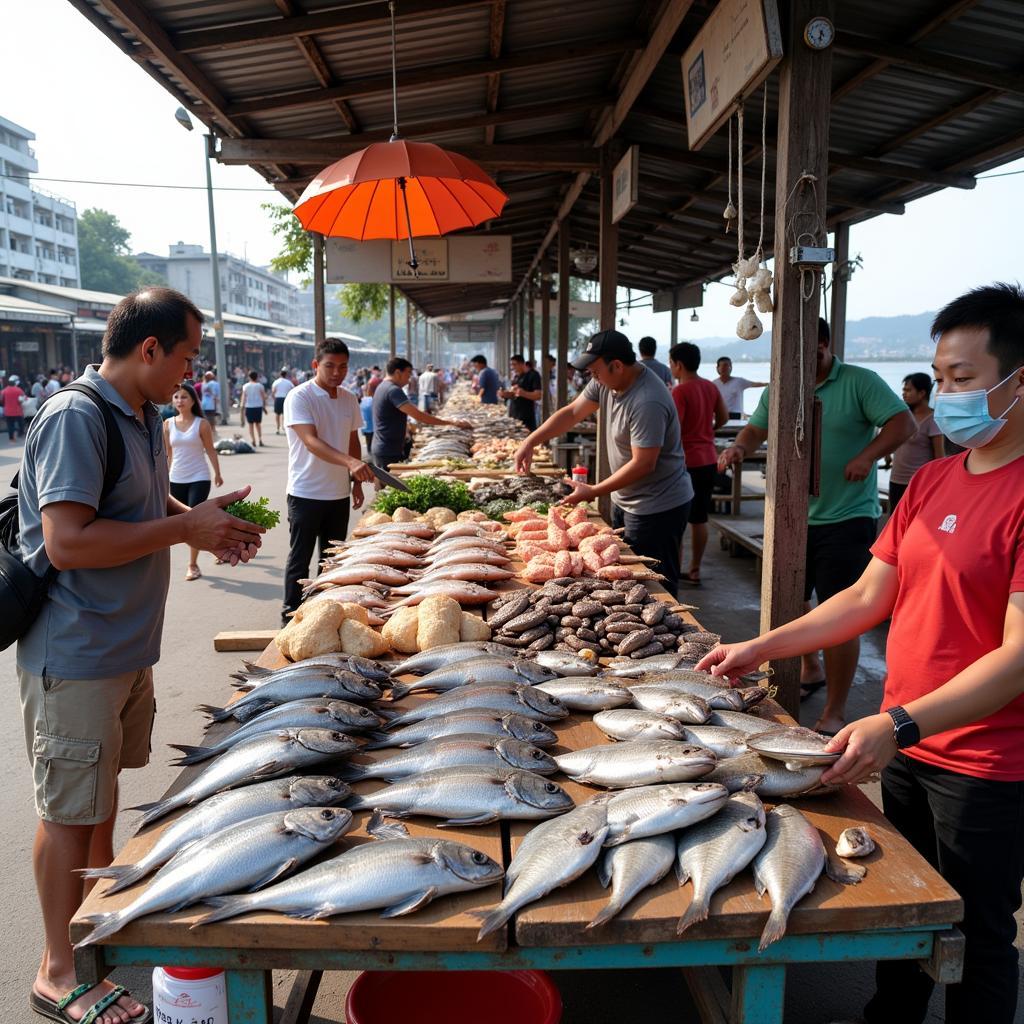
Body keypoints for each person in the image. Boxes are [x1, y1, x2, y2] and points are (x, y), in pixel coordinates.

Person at [700, 283, 1024, 1024]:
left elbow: (1017, 659)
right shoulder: (934, 478)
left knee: (980, 936)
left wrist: (898, 723)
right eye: (938, 381)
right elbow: (863, 599)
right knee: (906, 913)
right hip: (907, 743)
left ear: (1019, 380)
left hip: (984, 765)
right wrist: (759, 647)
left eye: (963, 380)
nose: (942, 397)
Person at [19, 287, 263, 1024]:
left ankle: (90, 932)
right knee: (69, 812)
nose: (189, 375)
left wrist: (205, 524)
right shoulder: (76, 416)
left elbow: (146, 512)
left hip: (127, 647)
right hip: (78, 649)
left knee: (99, 802)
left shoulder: (146, 417)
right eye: (186, 357)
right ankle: (57, 972)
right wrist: (186, 534)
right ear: (148, 349)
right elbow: (68, 541)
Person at [718, 318, 914, 731]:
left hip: (846, 517)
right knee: (789, 600)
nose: (801, 365)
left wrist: (868, 457)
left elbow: (902, 424)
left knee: (843, 612)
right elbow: (756, 429)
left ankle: (835, 711)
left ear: (823, 345)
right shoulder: (780, 387)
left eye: (810, 354)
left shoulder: (861, 381)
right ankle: (810, 666)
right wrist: (739, 447)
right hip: (790, 516)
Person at [515, 330, 693, 595]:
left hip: (658, 506)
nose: (591, 376)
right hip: (628, 498)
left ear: (617, 365)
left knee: (655, 585)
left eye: (595, 370)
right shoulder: (605, 381)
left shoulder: (647, 400)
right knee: (628, 580)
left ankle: (677, 634)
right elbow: (573, 412)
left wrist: (594, 491)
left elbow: (644, 463)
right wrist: (531, 440)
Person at [281, 337, 376, 621]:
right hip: (305, 492)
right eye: (330, 366)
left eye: (343, 367)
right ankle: (290, 616)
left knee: (332, 561)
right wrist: (351, 463)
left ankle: (324, 614)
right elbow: (310, 441)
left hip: (338, 494)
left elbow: (353, 440)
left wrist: (355, 481)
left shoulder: (349, 399)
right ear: (315, 365)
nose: (337, 372)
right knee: (300, 560)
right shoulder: (299, 396)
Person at [669, 342, 728, 585]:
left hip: (686, 461)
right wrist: (707, 431)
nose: (671, 368)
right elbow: (723, 417)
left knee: (679, 518)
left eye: (671, 363)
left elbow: (676, 428)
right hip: (708, 459)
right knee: (700, 518)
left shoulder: (679, 391)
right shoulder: (710, 387)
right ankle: (695, 569)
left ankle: (676, 569)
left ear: (679, 365)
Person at [164, 381, 224, 581]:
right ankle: (215, 542)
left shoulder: (202, 424)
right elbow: (168, 454)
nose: (179, 400)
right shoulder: (168, 424)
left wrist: (217, 473)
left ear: (192, 401)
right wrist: (163, 477)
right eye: (176, 397)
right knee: (176, 521)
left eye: (184, 397)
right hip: (176, 477)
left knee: (193, 521)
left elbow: (210, 450)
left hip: (199, 477)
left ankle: (192, 565)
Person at [371, 357, 472, 469]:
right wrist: (451, 422)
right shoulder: (393, 390)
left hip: (385, 446)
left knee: (386, 483)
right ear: (397, 372)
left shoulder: (382, 387)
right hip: (388, 450)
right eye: (408, 374)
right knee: (389, 484)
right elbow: (418, 416)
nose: (409, 379)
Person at [888, 372, 944, 508]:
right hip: (896, 480)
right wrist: (886, 456)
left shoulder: (932, 420)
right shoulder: (903, 416)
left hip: (918, 483)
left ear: (922, 393)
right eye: (903, 390)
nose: (904, 394)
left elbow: (939, 458)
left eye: (908, 390)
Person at [500, 353, 543, 430]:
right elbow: (514, 394)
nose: (512, 367)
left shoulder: (533, 375)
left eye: (514, 364)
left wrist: (523, 393)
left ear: (522, 364)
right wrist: (505, 394)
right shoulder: (517, 376)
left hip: (526, 416)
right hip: (514, 414)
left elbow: (538, 396)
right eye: (511, 365)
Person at [240, 370, 267, 447]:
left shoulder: (245, 386)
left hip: (249, 407)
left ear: (249, 377)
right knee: (258, 424)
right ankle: (260, 439)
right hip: (258, 406)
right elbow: (263, 397)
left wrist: (242, 406)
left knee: (250, 425)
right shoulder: (260, 386)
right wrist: (264, 407)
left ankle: (253, 440)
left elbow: (243, 397)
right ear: (257, 377)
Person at [2, 373, 27, 441]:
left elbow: (1, 400)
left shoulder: (4, 391)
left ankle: (11, 438)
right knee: (20, 423)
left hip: (8, 412)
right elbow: (25, 398)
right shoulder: (18, 390)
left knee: (10, 425)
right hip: (17, 411)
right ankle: (21, 434)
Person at [270, 369, 294, 435]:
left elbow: (273, 391)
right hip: (285, 398)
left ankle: (277, 428)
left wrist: (274, 398)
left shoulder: (276, 382)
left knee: (277, 414)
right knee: (285, 414)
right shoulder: (289, 382)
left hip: (278, 398)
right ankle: (284, 426)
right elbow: (292, 390)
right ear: (286, 375)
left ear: (280, 375)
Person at [200, 370, 220, 435]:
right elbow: (217, 395)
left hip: (204, 404)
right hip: (212, 404)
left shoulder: (203, 384)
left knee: (205, 418)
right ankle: (213, 431)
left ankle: (207, 431)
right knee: (212, 418)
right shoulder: (216, 384)